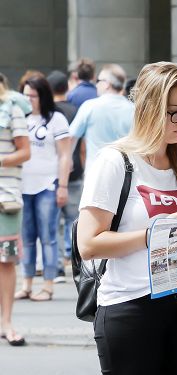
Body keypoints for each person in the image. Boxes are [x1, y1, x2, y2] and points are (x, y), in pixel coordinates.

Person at [76, 62, 177, 375]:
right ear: (149, 109)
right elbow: (87, 244)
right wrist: (153, 234)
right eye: (174, 112)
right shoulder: (116, 161)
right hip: (129, 307)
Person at [14, 76, 71, 302]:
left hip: (48, 184)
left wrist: (63, 186)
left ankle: (48, 285)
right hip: (21, 186)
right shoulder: (20, 117)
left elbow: (65, 155)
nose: (29, 99)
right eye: (25, 95)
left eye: (33, 96)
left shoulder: (56, 119)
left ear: (43, 96)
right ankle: (26, 284)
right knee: (26, 237)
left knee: (48, 237)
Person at [0, 73, 30, 346]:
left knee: (5, 262)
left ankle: (7, 323)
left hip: (5, 199)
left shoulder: (12, 109)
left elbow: (25, 151)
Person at [47, 70, 81, 283]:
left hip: (55, 173)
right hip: (77, 171)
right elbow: (82, 144)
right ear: (66, 88)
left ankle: (59, 265)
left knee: (56, 222)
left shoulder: (49, 113)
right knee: (74, 220)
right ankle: (74, 260)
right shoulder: (76, 110)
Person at [69, 63, 134, 171]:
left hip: (95, 171)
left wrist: (68, 159)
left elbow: (71, 137)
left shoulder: (90, 106)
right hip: (125, 173)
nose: (96, 85)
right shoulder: (133, 109)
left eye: (98, 81)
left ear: (107, 84)